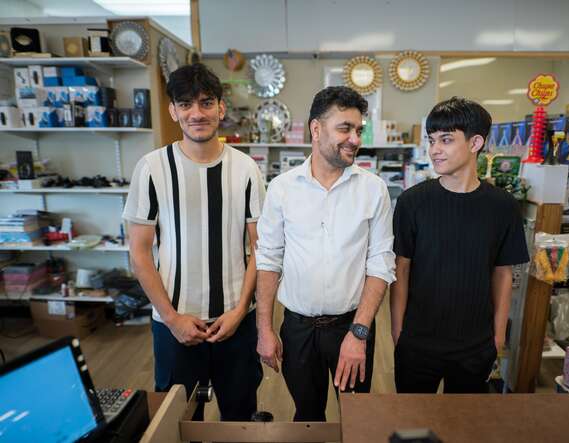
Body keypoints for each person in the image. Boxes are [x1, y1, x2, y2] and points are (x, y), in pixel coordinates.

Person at [123, 63, 264, 420]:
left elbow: (260, 250)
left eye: (205, 103)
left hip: (235, 322)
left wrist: (238, 311)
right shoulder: (152, 167)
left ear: (221, 107)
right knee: (178, 423)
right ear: (173, 111)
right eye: (185, 104)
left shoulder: (246, 168)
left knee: (239, 418)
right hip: (174, 324)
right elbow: (139, 252)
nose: (196, 113)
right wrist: (171, 319)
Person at [255, 86, 395, 421]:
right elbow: (268, 260)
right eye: (344, 128)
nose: (354, 138)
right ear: (316, 129)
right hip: (298, 330)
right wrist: (264, 330)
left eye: (358, 130)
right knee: (307, 415)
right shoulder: (281, 189)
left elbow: (380, 263)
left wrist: (359, 334)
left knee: (356, 416)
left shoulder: (373, 190)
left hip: (351, 326)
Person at [391, 96, 529, 394]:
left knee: (465, 428)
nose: (434, 149)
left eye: (446, 139)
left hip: (475, 345)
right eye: (431, 140)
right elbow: (401, 269)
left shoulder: (503, 206)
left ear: (475, 142)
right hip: (417, 342)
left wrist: (498, 337)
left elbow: (503, 273)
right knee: (411, 424)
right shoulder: (412, 202)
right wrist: (398, 331)